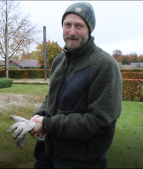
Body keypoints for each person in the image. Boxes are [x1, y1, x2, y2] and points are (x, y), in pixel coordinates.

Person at [28, 2, 122, 168]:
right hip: (48, 153)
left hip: (80, 162)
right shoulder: (59, 61)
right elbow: (52, 97)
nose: (72, 32)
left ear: (89, 29)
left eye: (79, 26)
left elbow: (100, 122)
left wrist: (48, 124)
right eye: (67, 25)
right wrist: (38, 116)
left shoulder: (104, 64)